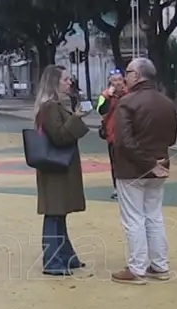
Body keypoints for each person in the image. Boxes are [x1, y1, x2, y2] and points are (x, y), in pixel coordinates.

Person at [111, 58, 177, 285]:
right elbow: (172, 138)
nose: (125, 76)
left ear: (137, 75)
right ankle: (160, 265)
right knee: (154, 216)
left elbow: (124, 142)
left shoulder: (127, 102)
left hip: (132, 169)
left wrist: (148, 163)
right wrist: (155, 162)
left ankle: (137, 268)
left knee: (133, 219)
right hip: (160, 165)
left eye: (128, 72)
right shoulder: (167, 103)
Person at [32, 65, 89, 276]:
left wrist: (74, 116)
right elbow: (59, 135)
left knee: (58, 213)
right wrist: (76, 117)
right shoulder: (49, 108)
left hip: (56, 168)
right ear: (54, 82)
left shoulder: (52, 106)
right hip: (55, 168)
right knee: (54, 213)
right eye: (65, 79)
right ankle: (53, 261)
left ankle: (66, 256)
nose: (68, 82)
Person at [97, 72, 126, 199]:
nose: (118, 82)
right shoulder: (105, 96)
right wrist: (108, 97)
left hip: (128, 134)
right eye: (114, 80)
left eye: (120, 79)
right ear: (110, 82)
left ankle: (129, 188)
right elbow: (101, 111)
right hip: (112, 135)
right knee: (115, 163)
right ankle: (117, 188)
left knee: (128, 162)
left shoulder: (130, 94)